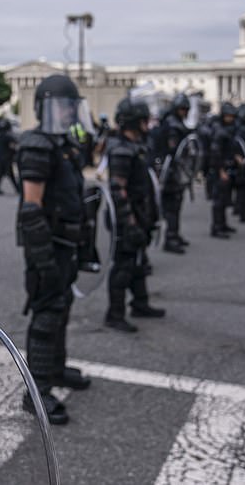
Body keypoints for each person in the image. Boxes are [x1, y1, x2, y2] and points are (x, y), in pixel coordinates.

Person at [16, 73, 93, 425]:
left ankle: (57, 370)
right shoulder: (37, 144)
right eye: (60, 107)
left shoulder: (64, 144)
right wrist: (43, 258)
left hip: (66, 244)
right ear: (43, 107)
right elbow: (32, 208)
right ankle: (36, 391)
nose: (66, 113)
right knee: (46, 314)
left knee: (62, 308)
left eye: (70, 107)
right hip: (48, 246)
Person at [104, 97, 165, 333]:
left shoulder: (136, 146)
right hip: (126, 219)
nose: (147, 124)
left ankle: (140, 303)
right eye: (143, 120)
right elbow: (118, 191)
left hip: (140, 215)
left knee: (138, 263)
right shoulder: (121, 150)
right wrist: (129, 225)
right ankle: (114, 314)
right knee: (123, 266)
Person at [156, 93, 192, 253]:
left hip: (176, 170)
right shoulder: (172, 125)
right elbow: (174, 150)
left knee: (176, 205)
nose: (184, 112)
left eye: (186, 109)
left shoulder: (176, 123)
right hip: (170, 170)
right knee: (171, 206)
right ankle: (170, 238)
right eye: (182, 109)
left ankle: (174, 234)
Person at [209, 102, 239, 238]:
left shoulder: (227, 129)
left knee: (225, 198)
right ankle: (217, 227)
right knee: (219, 200)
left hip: (226, 166)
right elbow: (216, 153)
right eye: (228, 116)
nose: (231, 118)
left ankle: (223, 224)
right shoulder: (219, 130)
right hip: (220, 169)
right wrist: (220, 170)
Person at [0, 118, 19, 194]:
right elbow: (15, 143)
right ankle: (18, 189)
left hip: (0, 157)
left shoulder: (0, 136)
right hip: (6, 158)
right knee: (10, 174)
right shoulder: (7, 136)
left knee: (1, 174)